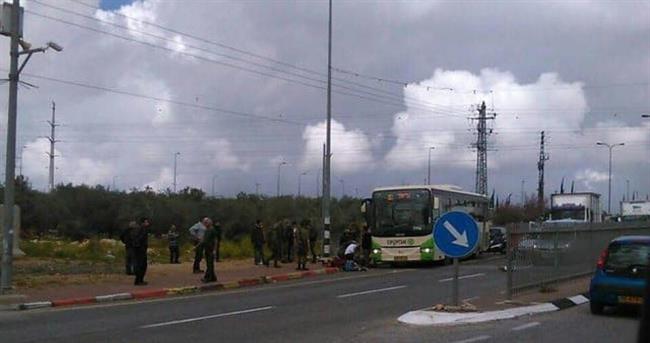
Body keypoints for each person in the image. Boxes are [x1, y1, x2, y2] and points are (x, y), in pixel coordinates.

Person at [132, 217, 151, 285]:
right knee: (141, 265)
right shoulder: (142, 229)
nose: (147, 223)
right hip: (140, 250)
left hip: (140, 249)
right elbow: (139, 239)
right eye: (146, 222)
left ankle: (140, 280)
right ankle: (138, 280)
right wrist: (140, 247)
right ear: (143, 223)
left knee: (142, 265)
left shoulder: (139, 229)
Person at [201, 217, 218, 283]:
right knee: (209, 264)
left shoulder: (212, 230)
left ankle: (208, 278)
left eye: (206, 222)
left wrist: (214, 250)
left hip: (211, 249)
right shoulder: (206, 230)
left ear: (210, 222)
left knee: (210, 264)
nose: (205, 223)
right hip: (206, 249)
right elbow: (204, 240)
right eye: (204, 222)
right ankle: (213, 277)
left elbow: (216, 240)